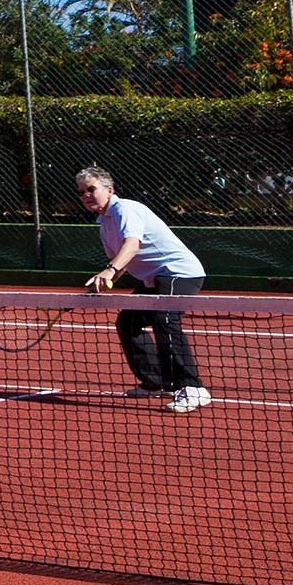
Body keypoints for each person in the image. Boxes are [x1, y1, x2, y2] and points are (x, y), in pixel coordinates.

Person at [76, 165, 212, 412]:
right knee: (128, 322)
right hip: (155, 279)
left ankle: (193, 388)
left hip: (178, 273)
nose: (86, 195)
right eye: (82, 192)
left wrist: (108, 270)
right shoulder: (104, 224)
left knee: (165, 319)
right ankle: (156, 382)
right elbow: (121, 264)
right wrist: (103, 284)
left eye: (91, 189)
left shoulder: (124, 209)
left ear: (109, 190)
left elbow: (132, 246)